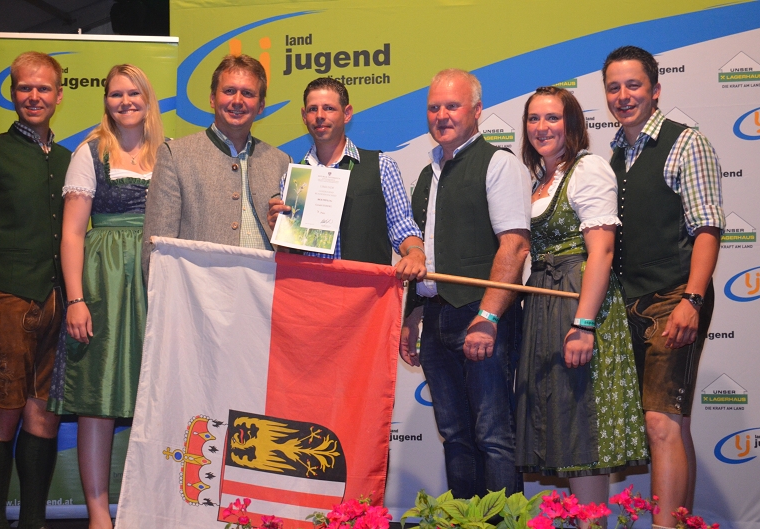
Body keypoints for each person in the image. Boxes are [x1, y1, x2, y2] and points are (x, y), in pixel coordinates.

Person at [602, 46, 724, 527]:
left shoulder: (687, 143)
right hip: (628, 305)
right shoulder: (613, 155)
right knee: (670, 423)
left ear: (655, 90)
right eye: (614, 87)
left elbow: (708, 228)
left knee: (660, 422)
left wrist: (692, 299)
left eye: (633, 85)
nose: (623, 95)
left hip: (676, 296)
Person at [514, 86, 649, 518]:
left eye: (552, 118)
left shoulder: (588, 169)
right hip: (544, 304)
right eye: (534, 119)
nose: (541, 127)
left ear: (572, 124)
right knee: (561, 425)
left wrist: (584, 323)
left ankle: (591, 524)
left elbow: (602, 252)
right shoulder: (539, 180)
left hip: (577, 300)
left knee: (581, 425)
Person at [400, 69, 530, 499]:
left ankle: (503, 525)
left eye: (452, 106)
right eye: (434, 107)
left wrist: (488, 317)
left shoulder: (499, 164)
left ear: (476, 110)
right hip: (436, 319)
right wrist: (411, 317)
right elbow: (422, 256)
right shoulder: (427, 174)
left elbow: (514, 248)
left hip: (482, 317)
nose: (442, 115)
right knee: (455, 436)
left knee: (493, 435)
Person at [46, 64, 163, 529]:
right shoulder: (90, 151)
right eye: (116, 94)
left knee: (156, 395)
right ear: (106, 102)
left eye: (134, 93)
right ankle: (99, 516)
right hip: (105, 280)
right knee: (98, 397)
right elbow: (72, 233)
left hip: (155, 279)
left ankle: (150, 508)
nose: (125, 101)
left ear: (147, 99)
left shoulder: (168, 152)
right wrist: (76, 300)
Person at [0, 51, 69, 529]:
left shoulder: (71, 160)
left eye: (43, 88)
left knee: (44, 417)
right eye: (25, 87)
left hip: (56, 305)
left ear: (59, 96)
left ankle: (33, 522)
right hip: (4, 302)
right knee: (2, 414)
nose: (34, 96)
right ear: (12, 94)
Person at [142, 54, 290, 276]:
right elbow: (156, 250)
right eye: (229, 91)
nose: (237, 100)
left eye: (248, 93)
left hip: (267, 291)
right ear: (212, 99)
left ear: (261, 106)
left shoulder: (281, 161)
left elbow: (294, 252)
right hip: (200, 293)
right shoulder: (175, 156)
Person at [267, 77, 426, 279]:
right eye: (313, 109)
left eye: (329, 108)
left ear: (347, 113)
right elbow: (288, 255)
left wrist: (415, 253)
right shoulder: (293, 179)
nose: (320, 116)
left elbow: (402, 227)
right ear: (304, 116)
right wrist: (279, 231)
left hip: (366, 292)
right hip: (310, 292)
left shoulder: (381, 166)